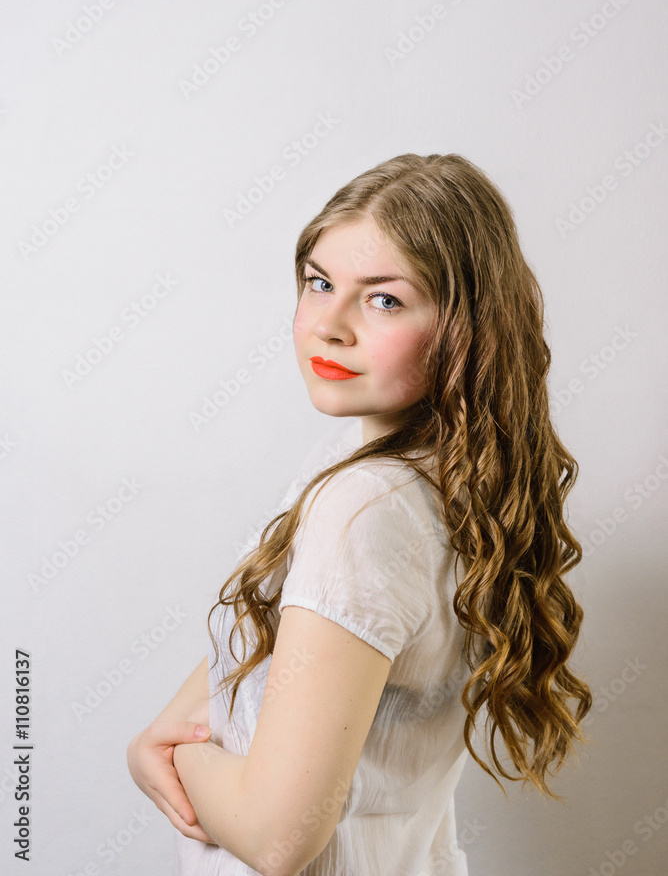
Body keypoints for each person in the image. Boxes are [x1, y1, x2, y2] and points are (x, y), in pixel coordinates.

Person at [127, 153, 593, 876]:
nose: (329, 326)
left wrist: (168, 755)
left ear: (467, 328)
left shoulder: (365, 508)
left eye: (384, 300)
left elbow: (277, 837)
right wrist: (168, 730)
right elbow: (282, 642)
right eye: (319, 283)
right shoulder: (406, 471)